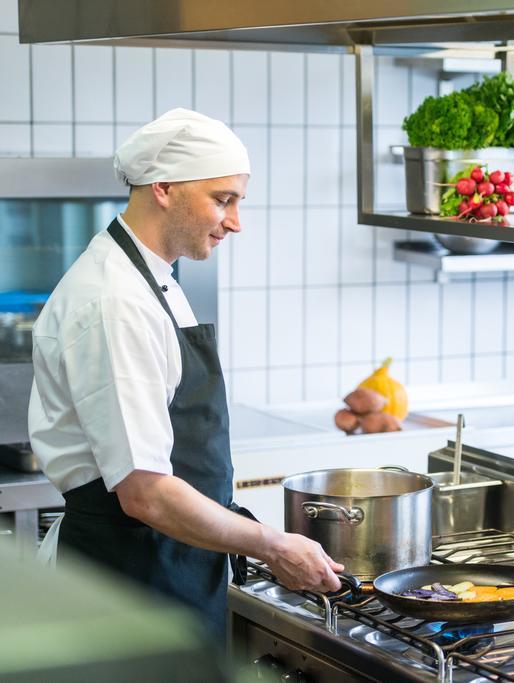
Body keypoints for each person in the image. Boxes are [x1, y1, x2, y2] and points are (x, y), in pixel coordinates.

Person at [28, 109, 345, 639]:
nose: (236, 222)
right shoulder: (116, 302)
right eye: (223, 200)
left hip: (168, 567)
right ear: (164, 187)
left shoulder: (153, 279)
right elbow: (145, 493)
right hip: (123, 585)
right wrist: (271, 544)